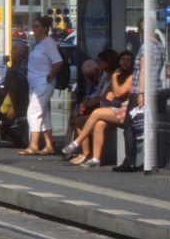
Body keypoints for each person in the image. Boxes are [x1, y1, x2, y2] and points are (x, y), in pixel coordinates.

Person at [67, 51, 134, 167]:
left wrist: (114, 79)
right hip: (115, 109)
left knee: (96, 113)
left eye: (128, 60)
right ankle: (96, 159)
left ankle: (77, 143)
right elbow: (111, 94)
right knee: (99, 124)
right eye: (123, 59)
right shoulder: (117, 75)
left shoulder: (130, 76)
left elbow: (119, 93)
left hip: (127, 111)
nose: (125, 62)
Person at [119, 20, 164, 171]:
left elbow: (143, 71)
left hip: (142, 91)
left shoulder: (146, 47)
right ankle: (152, 160)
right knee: (149, 126)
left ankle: (130, 161)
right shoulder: (159, 46)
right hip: (155, 90)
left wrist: (140, 94)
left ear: (140, 31)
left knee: (129, 125)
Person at [18, 15, 66, 156]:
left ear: (45, 29)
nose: (34, 28)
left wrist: (50, 75)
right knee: (43, 115)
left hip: (43, 83)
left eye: (37, 26)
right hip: (35, 83)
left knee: (33, 112)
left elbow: (58, 61)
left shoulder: (48, 43)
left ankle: (33, 145)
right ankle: (49, 144)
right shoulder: (39, 44)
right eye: (33, 26)